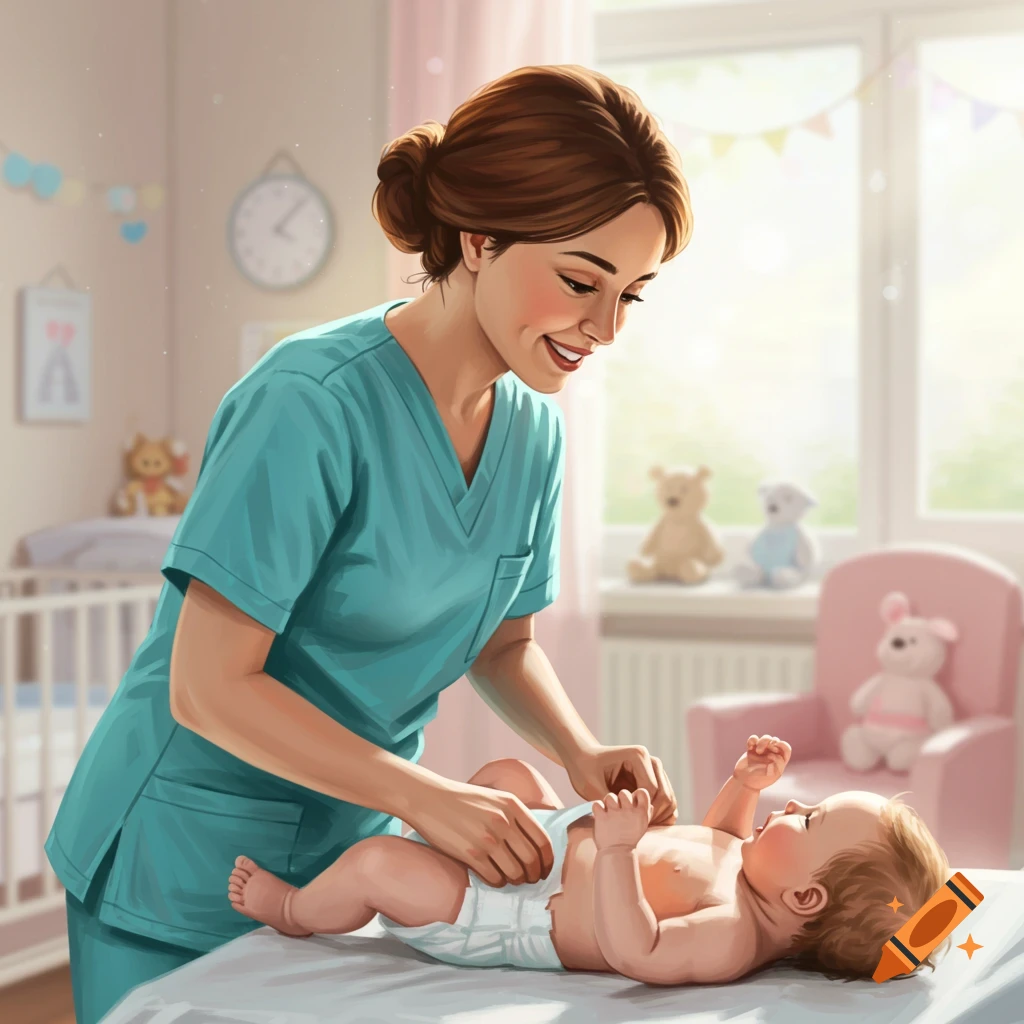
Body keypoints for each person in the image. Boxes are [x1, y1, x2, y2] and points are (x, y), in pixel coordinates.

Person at [44, 63, 693, 1023]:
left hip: (349, 857)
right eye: (578, 282)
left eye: (630, 295)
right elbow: (208, 685)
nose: (603, 328)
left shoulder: (532, 430)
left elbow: (500, 641)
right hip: (180, 851)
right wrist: (429, 797)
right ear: (477, 239)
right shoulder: (307, 403)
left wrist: (581, 750)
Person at [227, 736, 952, 985]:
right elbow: (717, 838)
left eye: (810, 818)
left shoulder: (730, 936)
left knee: (377, 862)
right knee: (509, 774)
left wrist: (617, 854)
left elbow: (636, 950)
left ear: (804, 901)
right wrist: (743, 786)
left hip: (500, 912)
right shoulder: (750, 867)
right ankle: (441, 838)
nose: (792, 808)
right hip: (544, 840)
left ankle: (294, 909)